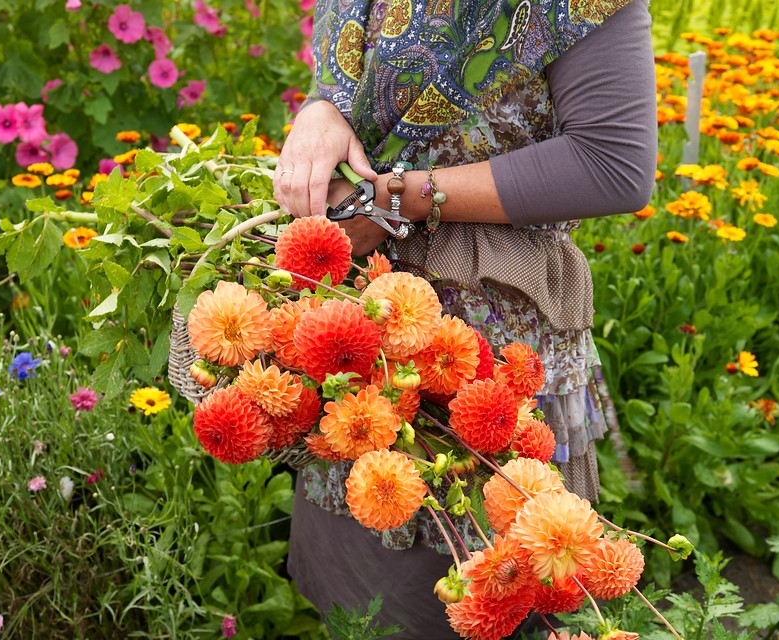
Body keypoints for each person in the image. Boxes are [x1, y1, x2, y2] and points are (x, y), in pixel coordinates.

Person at [274, 0, 657, 636]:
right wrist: (320, 110)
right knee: (360, 565)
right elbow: (361, 78)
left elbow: (612, 164)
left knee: (469, 578)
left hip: (486, 339)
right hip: (357, 317)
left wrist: (395, 201)